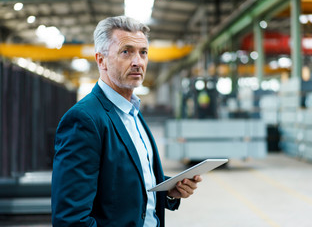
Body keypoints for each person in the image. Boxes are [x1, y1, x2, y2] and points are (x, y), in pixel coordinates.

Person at [51, 16, 202, 227]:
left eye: (143, 52)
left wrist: (168, 189)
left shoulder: (133, 112)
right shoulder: (84, 119)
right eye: (126, 51)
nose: (138, 62)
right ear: (101, 60)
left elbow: (123, 178)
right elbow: (70, 219)